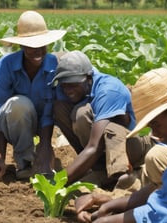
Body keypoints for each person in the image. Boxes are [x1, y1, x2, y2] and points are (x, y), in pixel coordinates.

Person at [74, 67, 167, 223]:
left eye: (155, 124)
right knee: (157, 156)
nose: (154, 133)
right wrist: (116, 203)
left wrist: (109, 221)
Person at [50, 50, 154, 189]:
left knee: (101, 123)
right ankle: (97, 168)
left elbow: (94, 146)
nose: (68, 90)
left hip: (130, 146)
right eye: (64, 85)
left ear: (88, 78)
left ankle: (122, 173)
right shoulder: (67, 88)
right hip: (98, 150)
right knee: (62, 108)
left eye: (73, 85)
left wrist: (58, 183)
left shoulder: (109, 90)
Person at [0, 10, 66, 180]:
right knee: (20, 104)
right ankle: (25, 163)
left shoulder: (54, 65)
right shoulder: (6, 65)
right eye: (31, 46)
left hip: (45, 122)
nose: (37, 50)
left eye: (41, 45)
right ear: (21, 46)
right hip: (13, 124)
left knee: (65, 104)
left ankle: (50, 156)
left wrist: (45, 146)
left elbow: (50, 110)